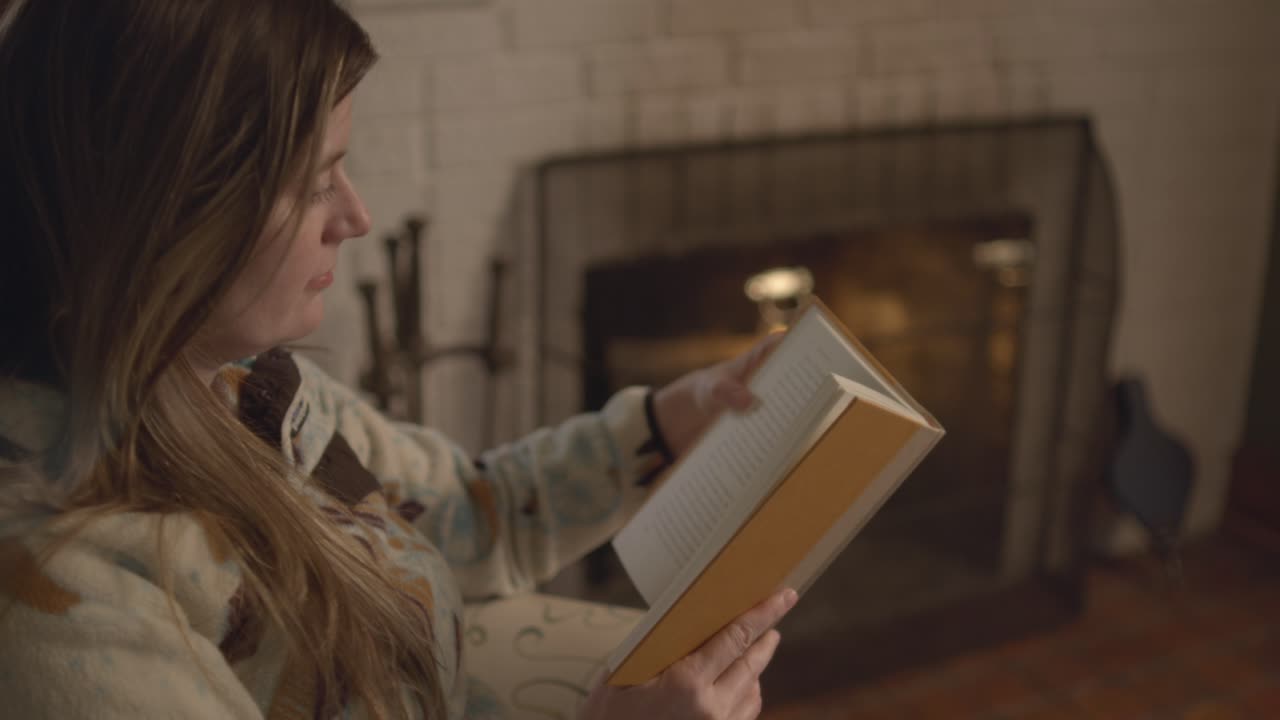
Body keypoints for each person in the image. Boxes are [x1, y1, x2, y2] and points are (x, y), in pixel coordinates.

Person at [0, 1, 794, 718]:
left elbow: (463, 512)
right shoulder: (61, 591)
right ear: (161, 210)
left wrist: (665, 423)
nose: (356, 216)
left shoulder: (253, 388)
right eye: (314, 182)